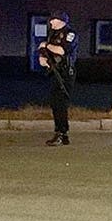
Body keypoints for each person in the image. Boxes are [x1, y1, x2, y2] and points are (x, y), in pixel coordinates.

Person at [38, 11, 78, 146]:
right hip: (54, 71)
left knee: (60, 103)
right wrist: (42, 57)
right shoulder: (52, 34)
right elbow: (46, 51)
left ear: (60, 20)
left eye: (53, 20)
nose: (50, 23)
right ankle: (61, 133)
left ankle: (61, 133)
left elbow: (62, 50)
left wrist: (46, 45)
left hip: (66, 72)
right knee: (55, 103)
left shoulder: (70, 34)